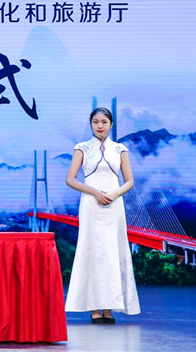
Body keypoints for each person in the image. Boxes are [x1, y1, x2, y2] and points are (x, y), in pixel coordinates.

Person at [64, 107, 140, 323]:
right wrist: (96, 193)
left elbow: (129, 181)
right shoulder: (82, 148)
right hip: (91, 204)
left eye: (104, 122)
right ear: (91, 124)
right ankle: (95, 308)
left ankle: (109, 308)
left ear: (111, 125)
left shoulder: (120, 149)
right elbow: (70, 179)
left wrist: (113, 194)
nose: (100, 125)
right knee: (93, 252)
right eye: (96, 122)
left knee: (113, 252)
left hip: (114, 206)